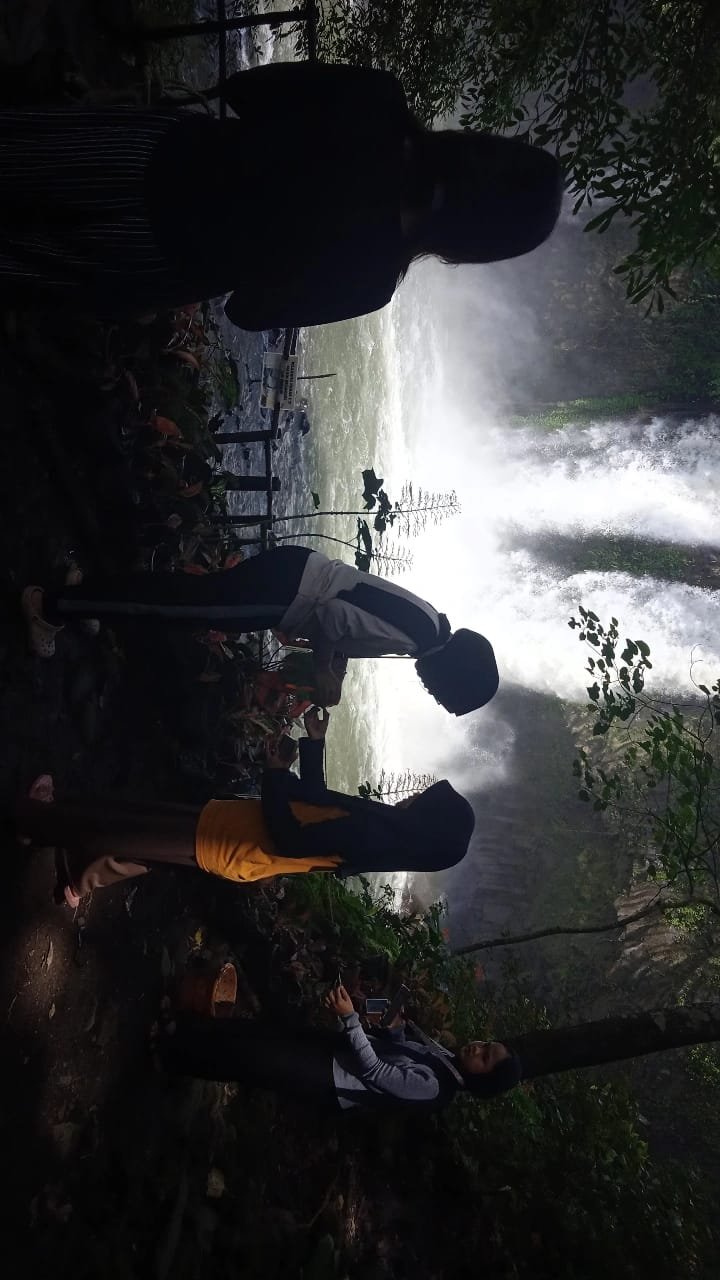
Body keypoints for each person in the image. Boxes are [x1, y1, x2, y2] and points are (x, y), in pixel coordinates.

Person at [0, 63, 561, 324]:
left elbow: (246, 90)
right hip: (153, 257)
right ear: (473, 245)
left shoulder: (376, 101)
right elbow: (249, 310)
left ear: (481, 144)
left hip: (148, 156)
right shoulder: (370, 283)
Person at [16, 708, 475, 907]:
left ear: (424, 824)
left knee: (127, 834)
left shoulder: (372, 835)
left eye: (424, 801)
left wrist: (275, 775)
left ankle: (34, 822)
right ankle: (78, 877)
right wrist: (315, 745)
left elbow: (289, 838)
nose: (414, 796)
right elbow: (318, 801)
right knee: (143, 839)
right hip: (234, 831)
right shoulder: (381, 831)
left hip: (234, 844)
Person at [21, 545, 500, 714]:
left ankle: (86, 593)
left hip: (295, 576)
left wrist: (337, 666)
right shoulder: (416, 637)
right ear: (451, 674)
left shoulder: (429, 623)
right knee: (179, 607)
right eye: (442, 695)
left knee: (182, 601)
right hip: (287, 592)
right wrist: (326, 672)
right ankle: (53, 606)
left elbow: (352, 614)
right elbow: (334, 618)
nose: (432, 694)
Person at [157, 980, 523, 1112]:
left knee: (252, 1060)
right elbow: (395, 1054)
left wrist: (350, 1019)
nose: (477, 1048)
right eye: (484, 1044)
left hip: (328, 1077)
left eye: (485, 1057)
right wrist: (394, 1029)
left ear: (483, 1080)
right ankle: (184, 1028)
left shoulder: (435, 1090)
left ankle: (170, 1054)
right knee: (259, 1036)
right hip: (336, 1050)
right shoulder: (445, 1060)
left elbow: (377, 1073)